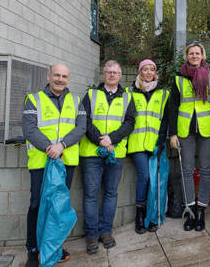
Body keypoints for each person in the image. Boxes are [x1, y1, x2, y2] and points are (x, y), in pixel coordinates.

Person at [22, 64, 86, 267]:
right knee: (37, 205)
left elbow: (81, 128)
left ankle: (54, 248)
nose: (60, 79)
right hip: (42, 162)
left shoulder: (76, 101)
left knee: (58, 208)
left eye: (64, 76)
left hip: (65, 162)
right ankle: (33, 250)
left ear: (69, 79)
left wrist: (62, 146)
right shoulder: (33, 99)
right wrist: (51, 148)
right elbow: (29, 129)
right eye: (56, 75)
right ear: (49, 76)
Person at [80, 60, 136, 254]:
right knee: (91, 195)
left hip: (115, 152)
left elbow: (130, 122)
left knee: (111, 193)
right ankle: (92, 235)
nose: (112, 75)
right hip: (91, 153)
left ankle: (106, 232)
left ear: (120, 76)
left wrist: (112, 139)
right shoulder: (91, 95)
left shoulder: (128, 97)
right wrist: (100, 140)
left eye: (116, 72)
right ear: (103, 74)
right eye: (109, 72)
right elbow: (84, 120)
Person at [169, 42, 210, 231]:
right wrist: (173, 133)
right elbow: (173, 108)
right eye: (191, 53)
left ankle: (201, 211)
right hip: (185, 130)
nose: (194, 56)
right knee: (187, 171)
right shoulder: (178, 79)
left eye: (197, 53)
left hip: (206, 129)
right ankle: (190, 210)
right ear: (186, 56)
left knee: (206, 170)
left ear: (202, 55)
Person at [126, 59, 170, 234]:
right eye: (145, 69)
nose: (149, 72)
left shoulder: (163, 93)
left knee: (155, 180)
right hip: (137, 143)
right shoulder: (130, 93)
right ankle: (140, 215)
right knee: (144, 176)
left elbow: (166, 119)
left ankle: (153, 216)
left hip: (155, 143)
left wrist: (161, 141)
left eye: (152, 70)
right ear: (140, 72)